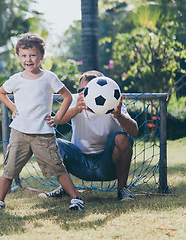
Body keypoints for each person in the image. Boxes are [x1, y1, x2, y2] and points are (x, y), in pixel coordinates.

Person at [0, 33, 84, 211]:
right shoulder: (16, 79)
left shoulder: (49, 77)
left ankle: (76, 199)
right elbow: (0, 93)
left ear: (41, 56)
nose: (28, 59)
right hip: (19, 133)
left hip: (44, 134)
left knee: (58, 168)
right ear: (19, 57)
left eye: (32, 55)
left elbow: (66, 97)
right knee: (10, 169)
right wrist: (13, 108)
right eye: (24, 56)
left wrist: (57, 118)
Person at [39, 70, 138, 201]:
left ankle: (122, 190)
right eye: (81, 90)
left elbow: (134, 131)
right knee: (55, 144)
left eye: (88, 90)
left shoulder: (112, 102)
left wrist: (119, 116)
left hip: (107, 163)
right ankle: (66, 188)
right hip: (80, 163)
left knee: (122, 138)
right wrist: (76, 109)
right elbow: (57, 120)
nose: (85, 94)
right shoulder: (76, 100)